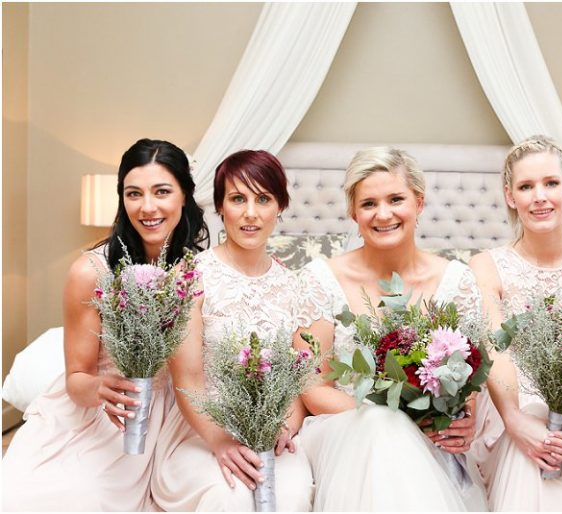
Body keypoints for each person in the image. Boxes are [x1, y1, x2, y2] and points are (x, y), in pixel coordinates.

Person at [2, 138, 209, 511]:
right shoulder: (90, 272)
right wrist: (101, 389)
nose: (147, 207)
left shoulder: (202, 271)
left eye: (162, 191)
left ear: (185, 195)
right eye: (134, 194)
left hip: (174, 417)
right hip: (101, 420)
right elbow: (76, 379)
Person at [293, 146, 487, 511]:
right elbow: (313, 388)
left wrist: (463, 416)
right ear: (353, 212)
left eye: (396, 199)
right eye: (369, 204)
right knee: (382, 428)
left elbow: (468, 376)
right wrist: (392, 417)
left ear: (419, 202)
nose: (383, 214)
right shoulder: (319, 279)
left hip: (428, 432)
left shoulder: (456, 281)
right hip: (341, 429)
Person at [151, 149, 314, 511]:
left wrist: (285, 427)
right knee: (231, 497)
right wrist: (220, 441)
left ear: (280, 206)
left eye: (263, 199)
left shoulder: (295, 286)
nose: (250, 213)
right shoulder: (189, 276)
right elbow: (187, 380)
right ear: (220, 207)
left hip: (272, 433)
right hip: (200, 430)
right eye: (238, 199)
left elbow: (299, 383)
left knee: (291, 497)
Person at [468, 135, 562, 510]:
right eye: (526, 187)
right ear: (509, 196)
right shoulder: (486, 267)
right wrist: (515, 420)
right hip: (504, 410)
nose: (539, 197)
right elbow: (496, 349)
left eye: (550, 183)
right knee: (526, 449)